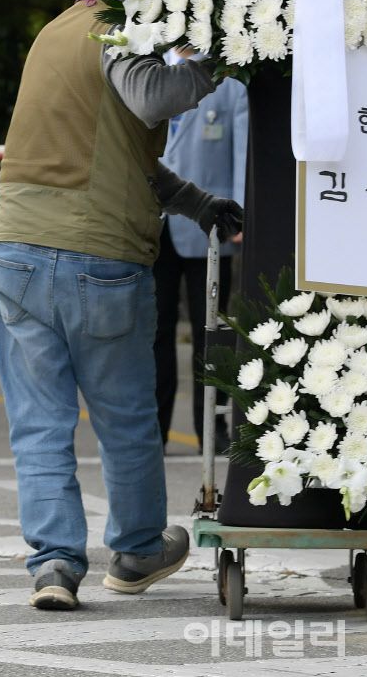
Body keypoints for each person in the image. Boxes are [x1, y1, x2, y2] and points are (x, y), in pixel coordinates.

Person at [0, 0, 242, 610]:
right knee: (125, 418)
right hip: (97, 257)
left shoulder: (55, 31)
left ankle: (54, 564)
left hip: (16, 252)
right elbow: (152, 98)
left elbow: (119, 155)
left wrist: (197, 204)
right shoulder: (119, 31)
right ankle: (135, 551)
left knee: (39, 422)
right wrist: (226, 53)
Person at [154, 46, 248, 452]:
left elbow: (243, 152)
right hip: (154, 223)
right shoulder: (148, 70)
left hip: (210, 225)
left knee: (211, 332)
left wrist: (241, 213)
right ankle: (154, 429)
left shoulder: (228, 82)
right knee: (154, 331)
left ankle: (213, 428)